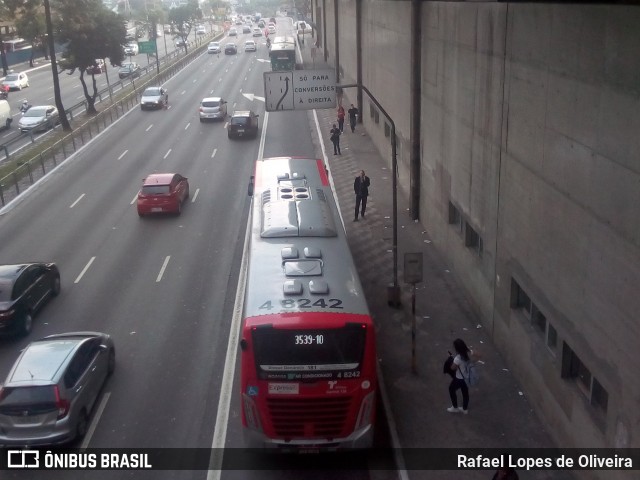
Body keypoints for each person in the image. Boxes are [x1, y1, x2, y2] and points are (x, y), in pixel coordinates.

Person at [447, 338, 473, 414]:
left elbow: (452, 368)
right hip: (466, 377)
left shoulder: (458, 358)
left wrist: (450, 359)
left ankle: (455, 407)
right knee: (465, 392)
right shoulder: (467, 352)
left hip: (459, 378)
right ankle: (465, 409)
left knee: (451, 389)